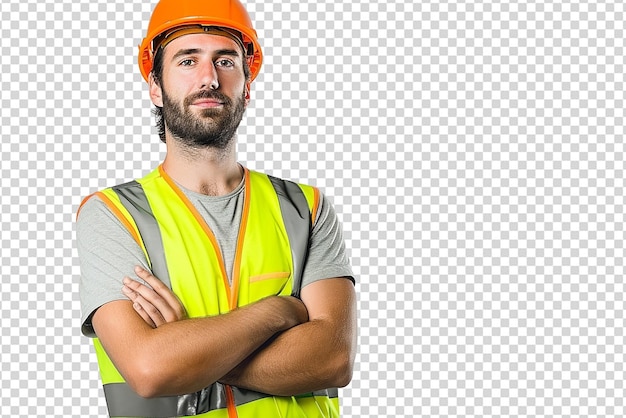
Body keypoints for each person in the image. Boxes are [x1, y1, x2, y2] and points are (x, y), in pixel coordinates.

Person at [75, 0, 357, 417]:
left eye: (225, 60)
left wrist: (188, 347)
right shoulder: (113, 214)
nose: (209, 78)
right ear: (155, 86)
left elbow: (333, 359)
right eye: (188, 60)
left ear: (246, 84)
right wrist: (279, 311)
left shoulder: (305, 207)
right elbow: (150, 368)